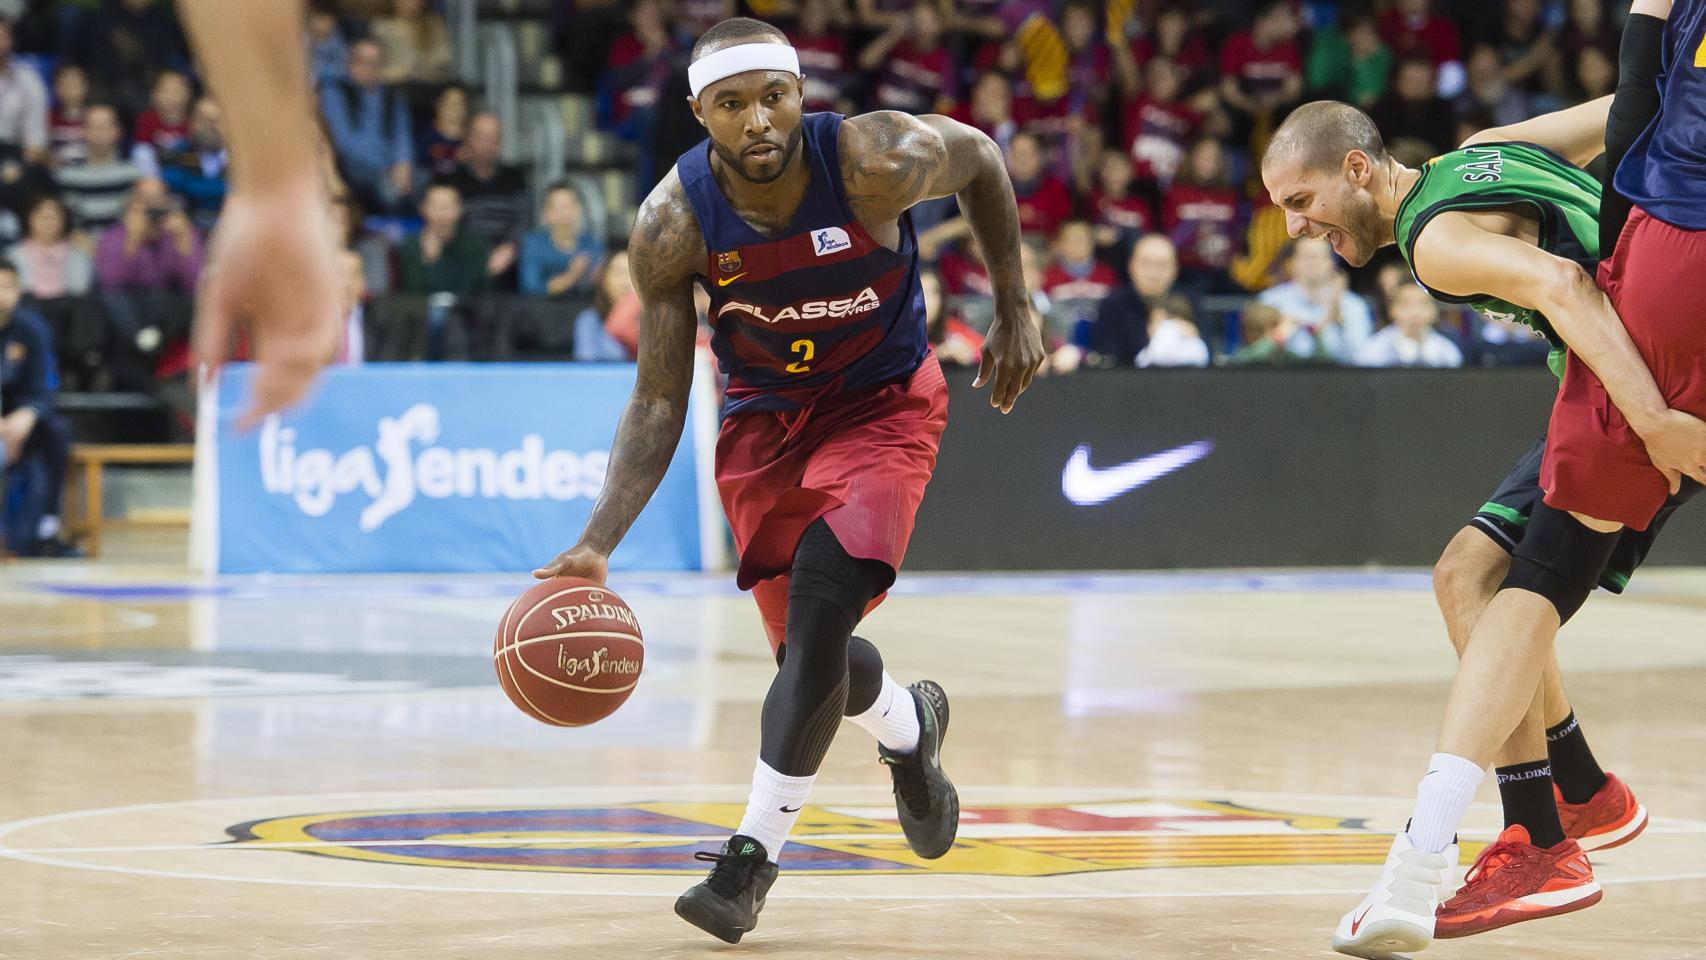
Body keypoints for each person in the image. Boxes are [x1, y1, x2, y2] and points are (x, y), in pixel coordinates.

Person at [532, 17, 1045, 944]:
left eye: (774, 97)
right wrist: (599, 539)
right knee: (810, 669)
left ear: (800, 95)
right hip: (765, 429)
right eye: (732, 106)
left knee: (817, 617)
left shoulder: (877, 158)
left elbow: (982, 160)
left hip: (884, 407)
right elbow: (656, 400)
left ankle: (748, 862)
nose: (758, 121)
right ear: (700, 115)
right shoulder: (673, 223)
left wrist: (1014, 301)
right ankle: (908, 726)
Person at [1259, 18, 1703, 960]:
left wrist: (1655, 420)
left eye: (1302, 199)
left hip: (1643, 365)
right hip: (1617, 357)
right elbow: (1619, 116)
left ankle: (1538, 840)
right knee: (1467, 574)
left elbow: (1565, 290)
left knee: (1516, 591)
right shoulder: (1482, 152)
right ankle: (1580, 791)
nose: (1294, 226)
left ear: (1360, 169)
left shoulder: (1433, 246)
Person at [0, 261, 76, 557]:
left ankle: (45, 529)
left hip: (21, 422)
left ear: (19, 291)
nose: (1, 294)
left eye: (7, 286)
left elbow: (46, 384)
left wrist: (27, 415)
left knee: (57, 431)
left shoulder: (32, 328)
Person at [320, 39, 415, 214]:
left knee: (425, 180)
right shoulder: (334, 92)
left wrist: (403, 163)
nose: (369, 68)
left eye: (375, 63)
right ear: (349, 63)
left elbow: (402, 134)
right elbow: (343, 141)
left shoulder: (392, 95)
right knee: (387, 190)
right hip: (352, 165)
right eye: (362, 61)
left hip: (389, 169)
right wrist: (384, 171)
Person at [1257, 236, 1374, 364]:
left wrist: (1339, 321)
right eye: (1307, 256)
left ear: (1331, 263)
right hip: (1282, 378)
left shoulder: (1352, 305)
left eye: (1320, 256)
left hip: (1337, 379)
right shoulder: (1270, 301)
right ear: (1292, 262)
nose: (1313, 262)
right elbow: (1254, 355)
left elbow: (1361, 359)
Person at [53, 102, 143, 232]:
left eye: (105, 126)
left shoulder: (133, 175)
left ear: (118, 131)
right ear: (83, 131)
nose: (99, 132)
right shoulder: (66, 175)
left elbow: (132, 222)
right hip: (80, 246)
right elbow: (69, 223)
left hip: (120, 246)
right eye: (94, 126)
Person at [519, 182, 601, 303]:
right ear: (546, 213)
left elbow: (599, 287)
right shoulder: (533, 243)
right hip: (540, 312)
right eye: (557, 207)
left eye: (568, 206)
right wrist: (571, 277)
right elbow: (531, 287)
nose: (564, 214)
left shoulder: (592, 245)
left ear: (578, 210)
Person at [1355, 282, 1464, 368]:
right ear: (1392, 310)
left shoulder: (1448, 352)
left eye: (1423, 303)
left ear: (1434, 310)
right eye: (1405, 304)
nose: (1414, 312)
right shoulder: (1373, 352)